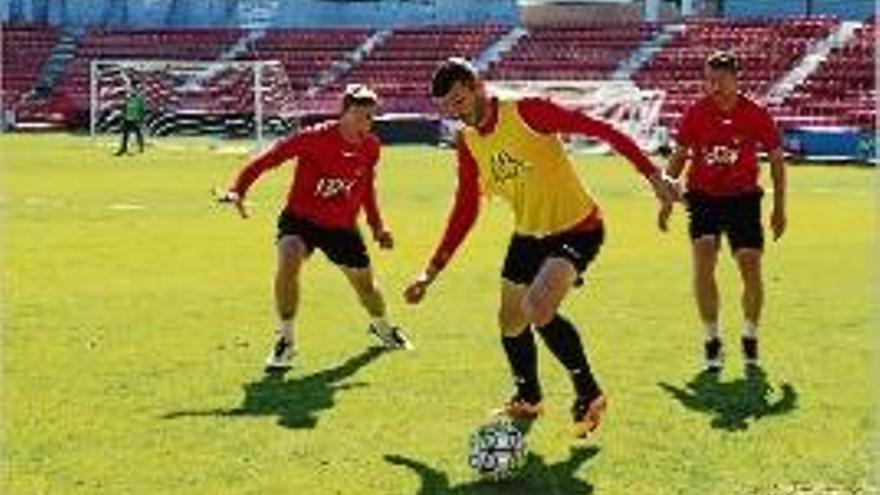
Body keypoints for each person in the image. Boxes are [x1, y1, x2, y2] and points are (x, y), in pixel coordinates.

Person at [403, 58, 677, 438]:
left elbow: (599, 129)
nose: (455, 112)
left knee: (536, 308)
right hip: (529, 234)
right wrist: (430, 272)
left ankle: (589, 393)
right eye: (447, 106)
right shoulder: (468, 143)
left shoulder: (527, 111)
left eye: (459, 100)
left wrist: (654, 175)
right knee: (510, 321)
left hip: (578, 228)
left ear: (477, 85)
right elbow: (465, 208)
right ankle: (528, 398)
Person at [219, 84, 412, 371]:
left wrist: (377, 228)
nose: (366, 123)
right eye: (361, 116)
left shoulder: (370, 146)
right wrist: (238, 189)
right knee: (289, 257)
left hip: (341, 226)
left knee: (367, 288)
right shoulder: (313, 138)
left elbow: (367, 189)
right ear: (344, 113)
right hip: (301, 219)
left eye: (371, 117)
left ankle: (382, 328)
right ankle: (286, 340)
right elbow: (268, 160)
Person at [658, 51, 787, 373]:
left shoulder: (756, 113)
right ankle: (712, 339)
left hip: (743, 199)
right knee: (704, 258)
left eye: (720, 80)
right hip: (703, 197)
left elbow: (776, 160)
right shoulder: (696, 113)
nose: (713, 86)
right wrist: (664, 199)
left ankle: (750, 336)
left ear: (735, 79)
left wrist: (780, 208)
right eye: (709, 80)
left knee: (750, 266)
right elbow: (679, 156)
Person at [115, 78, 147, 156]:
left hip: (136, 118)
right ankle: (123, 149)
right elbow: (125, 105)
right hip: (128, 117)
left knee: (138, 134)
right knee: (126, 134)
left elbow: (142, 107)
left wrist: (141, 118)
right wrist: (124, 114)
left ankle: (140, 149)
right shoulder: (128, 95)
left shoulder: (139, 96)